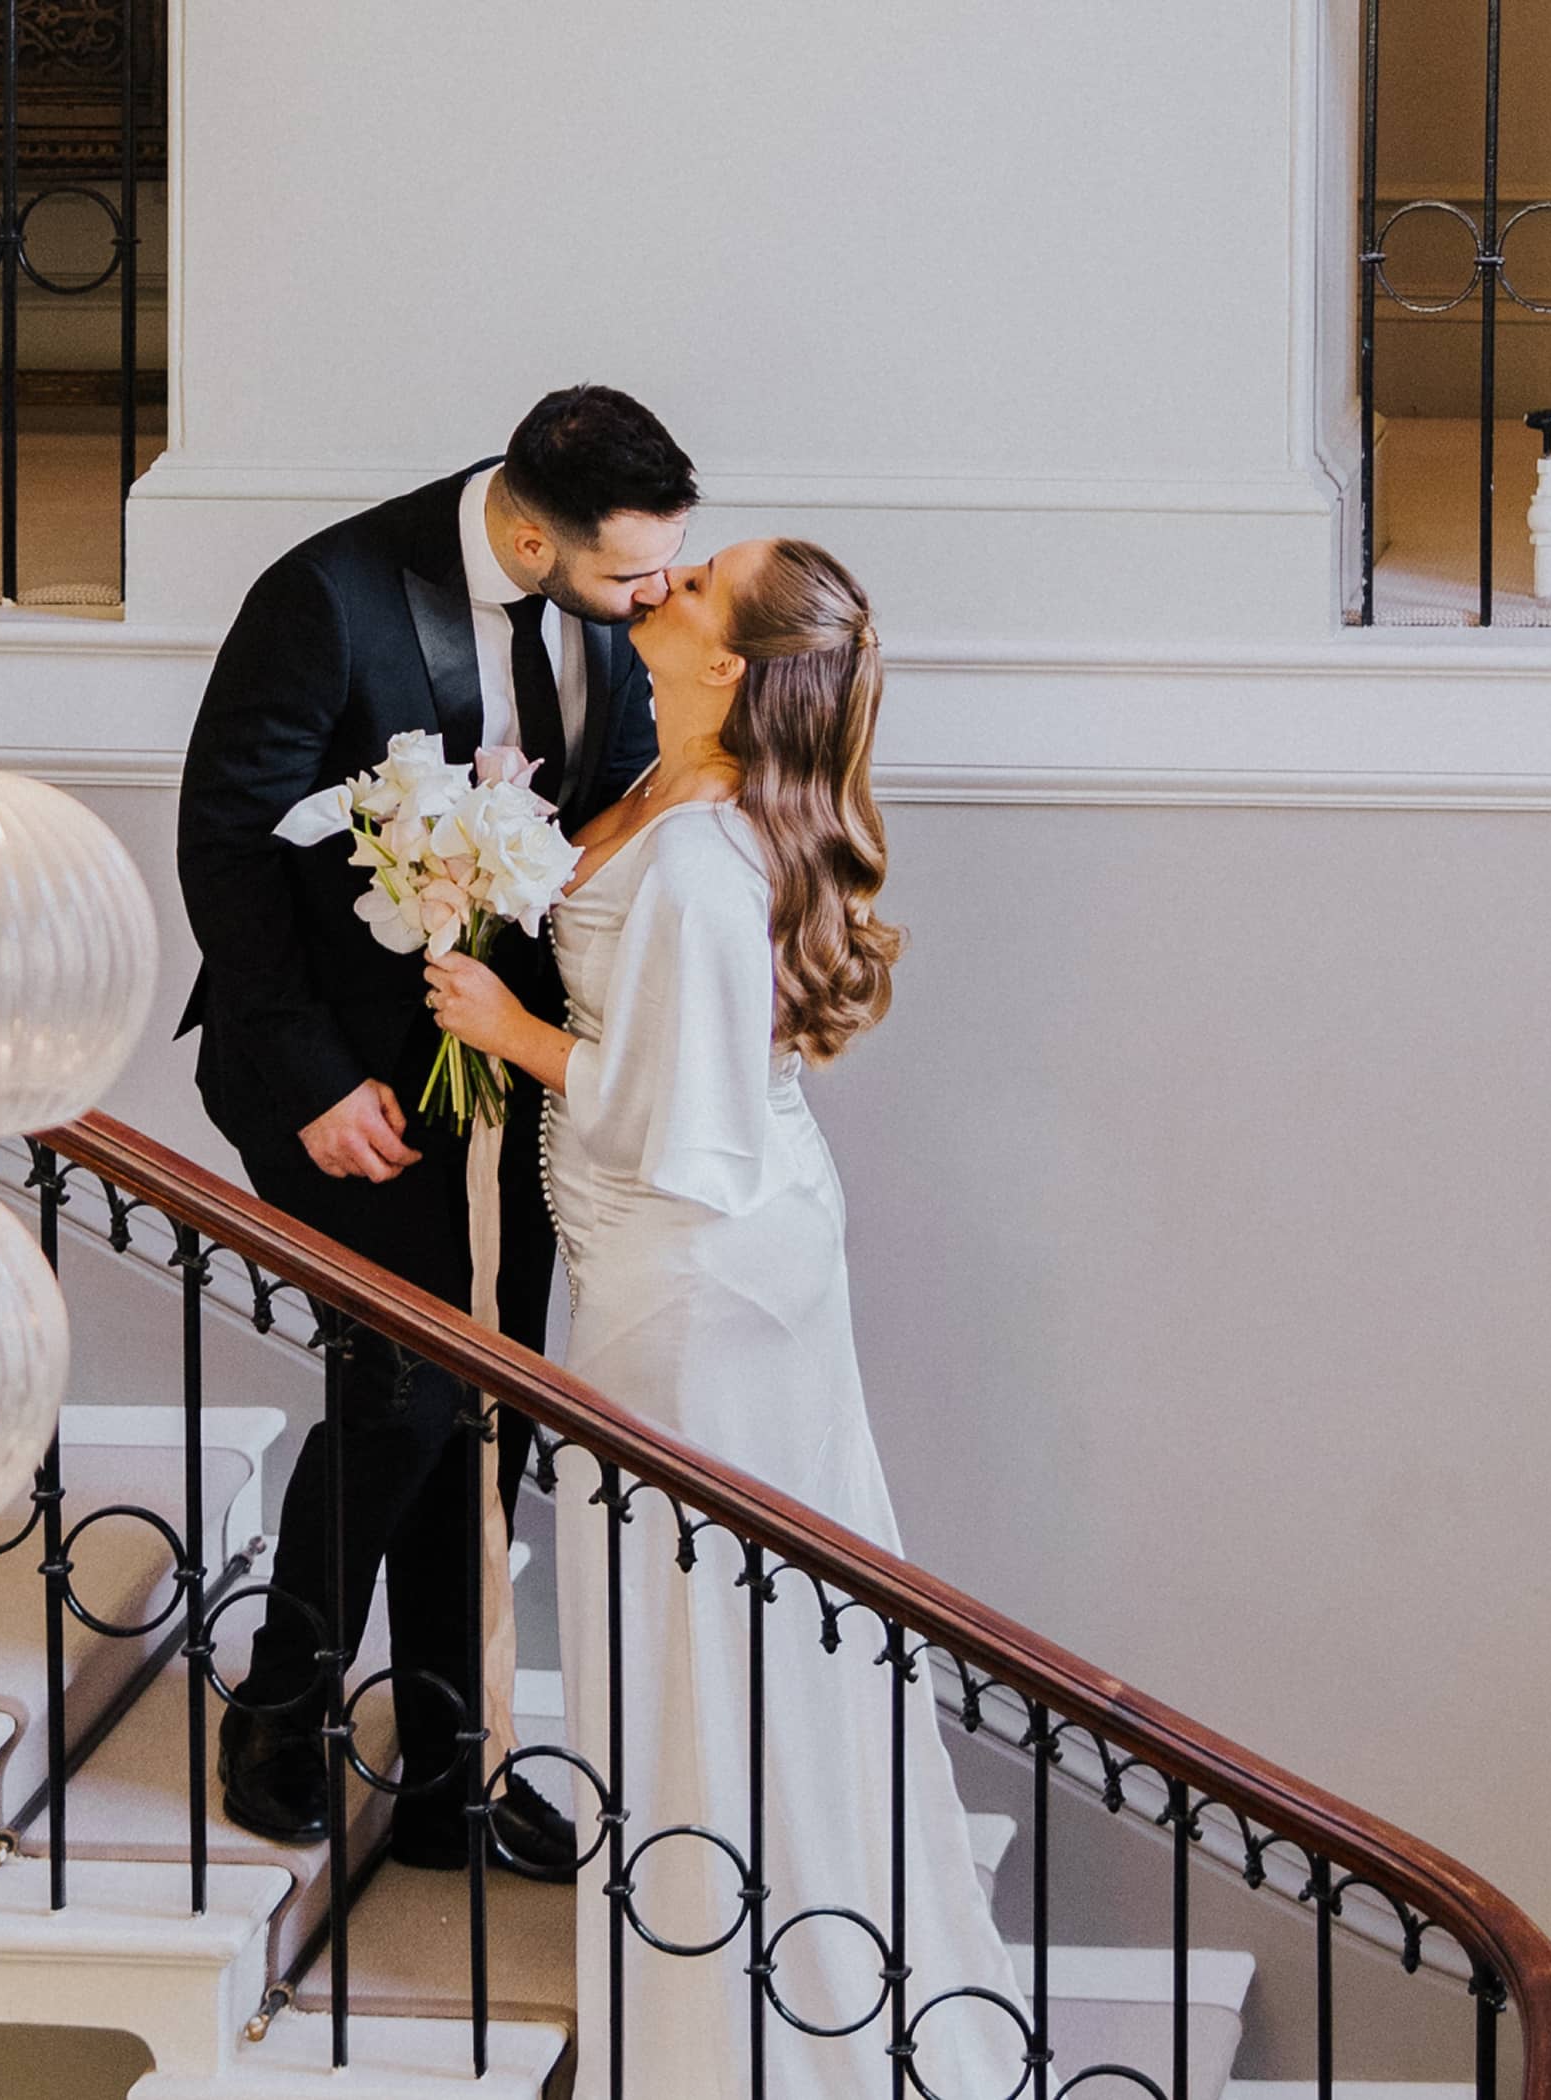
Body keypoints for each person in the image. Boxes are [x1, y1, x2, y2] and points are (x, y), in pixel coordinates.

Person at [420, 539, 1026, 2095]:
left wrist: (512, 1027)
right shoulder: (684, 785)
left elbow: (660, 1113)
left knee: (707, 1630)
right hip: (716, 1244)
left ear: (732, 667)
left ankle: (749, 2025)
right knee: (725, 1615)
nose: (665, 583)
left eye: (697, 587)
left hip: (695, 1276)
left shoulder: (697, 849)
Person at [175, 385, 695, 1878]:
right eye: (627, 574)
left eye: (666, 567)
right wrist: (313, 1078)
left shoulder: (612, 605)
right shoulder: (329, 596)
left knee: (491, 1404)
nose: (656, 596)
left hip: (509, 1066)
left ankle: (449, 1770)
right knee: (403, 1397)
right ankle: (281, 1709)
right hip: (345, 1079)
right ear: (530, 533)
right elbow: (230, 835)